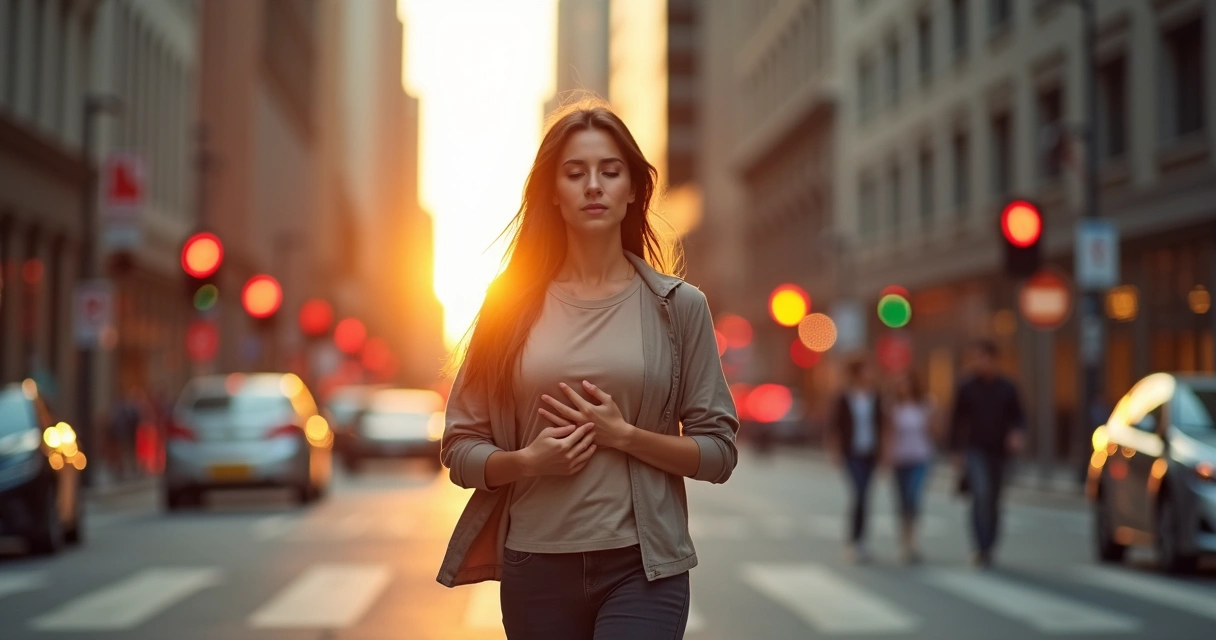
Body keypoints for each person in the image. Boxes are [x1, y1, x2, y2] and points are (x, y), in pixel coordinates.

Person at [436, 98, 740, 640]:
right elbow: (460, 450)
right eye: (575, 173)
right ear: (552, 193)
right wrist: (528, 461)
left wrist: (624, 436)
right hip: (536, 564)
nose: (593, 185)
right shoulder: (506, 307)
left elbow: (718, 453)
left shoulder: (679, 307)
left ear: (632, 190)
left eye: (610, 171)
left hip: (642, 568)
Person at [948, 340, 1025, 568]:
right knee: (981, 495)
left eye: (985, 358)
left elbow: (1019, 416)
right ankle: (980, 546)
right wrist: (955, 450)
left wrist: (1017, 433)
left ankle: (990, 545)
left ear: (994, 359)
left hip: (1000, 452)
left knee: (994, 499)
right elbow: (956, 420)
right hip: (975, 449)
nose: (981, 363)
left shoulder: (1008, 387)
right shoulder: (967, 387)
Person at [828, 359, 885, 563]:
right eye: (867, 370)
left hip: (870, 452)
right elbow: (835, 425)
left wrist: (884, 453)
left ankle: (861, 542)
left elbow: (882, 424)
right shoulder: (845, 397)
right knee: (859, 493)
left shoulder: (875, 396)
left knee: (866, 496)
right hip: (851, 452)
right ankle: (853, 541)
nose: (870, 374)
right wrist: (835, 452)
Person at [884, 371, 938, 564]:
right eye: (899, 383)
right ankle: (904, 543)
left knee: (913, 499)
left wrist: (933, 419)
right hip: (899, 460)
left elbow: (935, 431)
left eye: (906, 383)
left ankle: (913, 542)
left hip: (920, 458)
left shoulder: (925, 404)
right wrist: (886, 458)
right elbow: (888, 434)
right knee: (902, 502)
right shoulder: (892, 406)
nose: (903, 387)